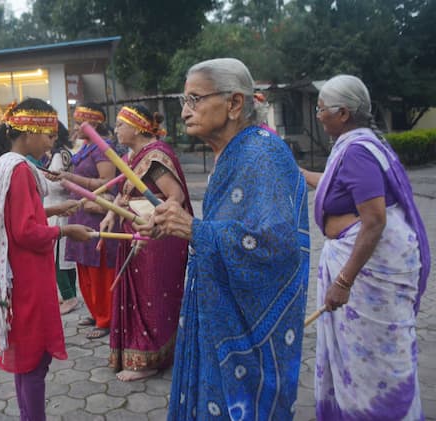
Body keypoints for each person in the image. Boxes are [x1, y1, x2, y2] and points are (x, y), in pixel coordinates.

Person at [137, 58, 309, 420]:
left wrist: (196, 230)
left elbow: (278, 246)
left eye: (195, 99)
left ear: (234, 104)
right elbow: (226, 226)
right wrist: (174, 225)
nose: (185, 112)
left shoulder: (263, 153)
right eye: (184, 101)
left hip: (247, 327)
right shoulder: (233, 153)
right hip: (216, 306)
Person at [301, 75, 430, 420]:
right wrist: (297, 172)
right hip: (363, 267)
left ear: (342, 113)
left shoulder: (357, 152)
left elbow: (374, 220)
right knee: (360, 360)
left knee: (373, 361)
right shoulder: (353, 146)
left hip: (370, 276)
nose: (317, 115)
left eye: (321, 109)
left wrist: (343, 281)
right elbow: (331, 184)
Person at [0, 98, 93, 421]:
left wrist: (55, 210)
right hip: (28, 278)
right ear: (29, 132)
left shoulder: (3, 165)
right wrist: (65, 232)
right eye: (48, 136)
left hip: (17, 274)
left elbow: (14, 218)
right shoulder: (19, 170)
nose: (50, 144)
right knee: (34, 360)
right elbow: (24, 232)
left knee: (26, 360)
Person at [100, 105, 192, 382]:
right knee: (138, 295)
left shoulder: (155, 157)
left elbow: (175, 196)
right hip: (137, 231)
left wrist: (156, 220)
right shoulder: (134, 157)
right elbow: (124, 193)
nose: (116, 130)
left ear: (137, 127)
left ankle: (150, 358)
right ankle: (141, 351)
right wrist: (110, 215)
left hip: (157, 237)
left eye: (120, 125)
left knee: (152, 295)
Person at [54, 103, 118, 339]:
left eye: (80, 121)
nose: (75, 126)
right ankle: (95, 311)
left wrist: (71, 177)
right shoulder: (85, 148)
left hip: (96, 214)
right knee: (85, 268)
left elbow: (106, 182)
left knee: (99, 269)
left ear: (93, 124)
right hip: (80, 212)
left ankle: (106, 318)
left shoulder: (103, 148)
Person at [43, 122, 80, 315]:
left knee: (58, 258)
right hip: (60, 207)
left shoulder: (59, 154)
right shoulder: (63, 152)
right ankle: (70, 293)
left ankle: (69, 296)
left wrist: (41, 177)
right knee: (65, 257)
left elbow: (59, 184)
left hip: (59, 209)